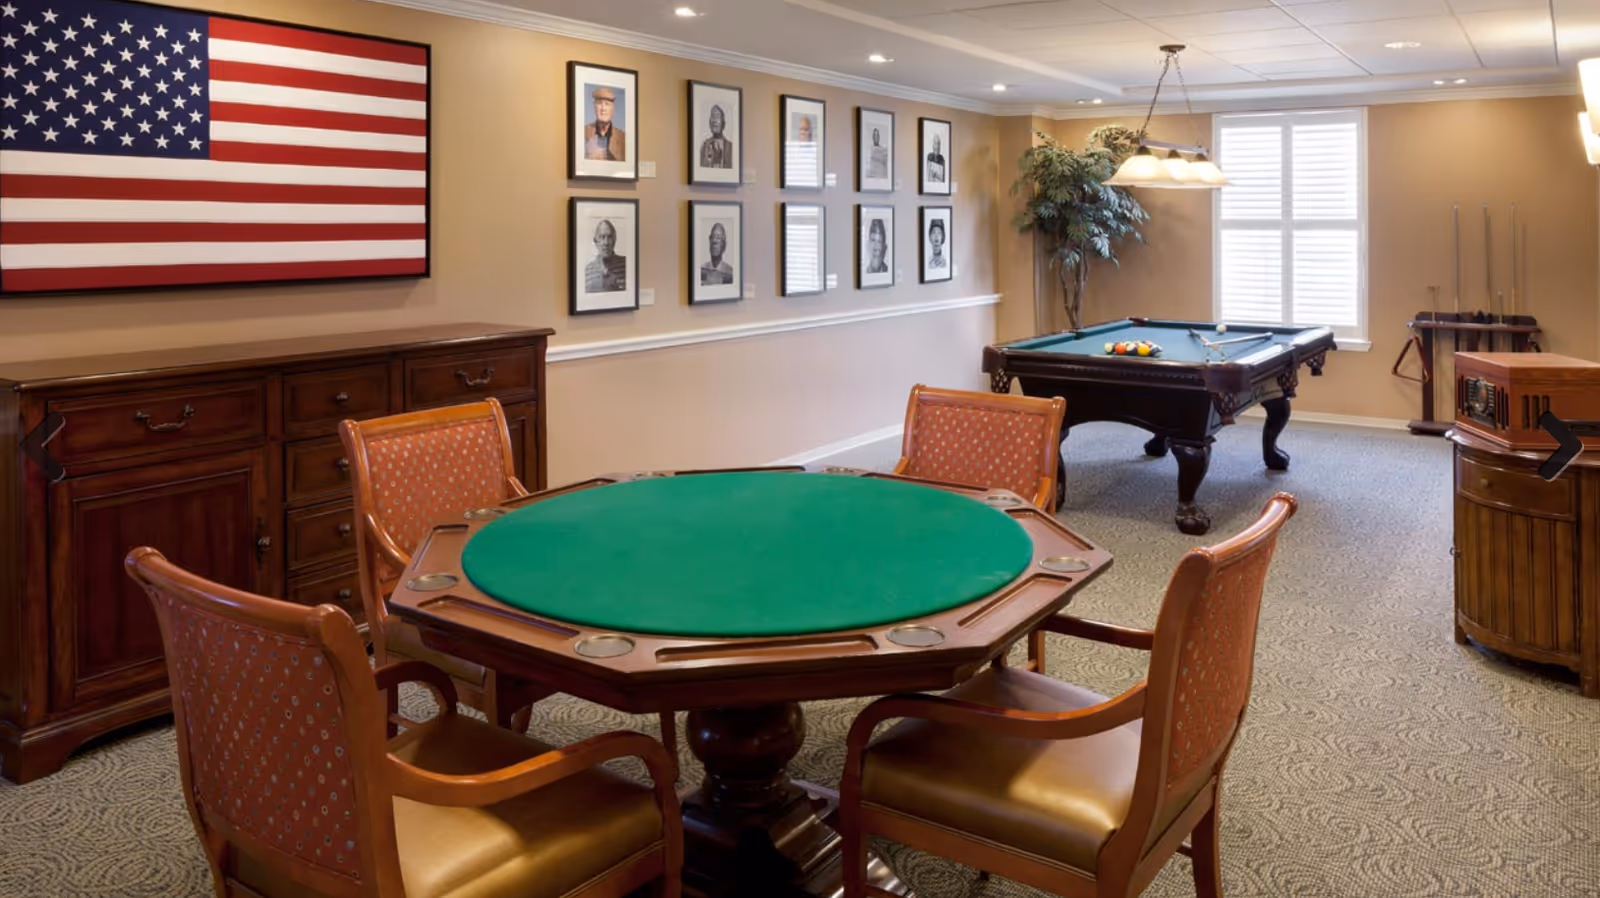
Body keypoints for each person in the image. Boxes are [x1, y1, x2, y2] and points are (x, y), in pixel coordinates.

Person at [584, 86, 626, 162]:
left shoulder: (623, 138)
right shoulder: (582, 133)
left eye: (607, 104)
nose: (603, 109)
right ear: (594, 108)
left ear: (613, 109)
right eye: (599, 103)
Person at [585, 219, 627, 292]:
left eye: (609, 237)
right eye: (602, 237)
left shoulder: (626, 265)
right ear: (595, 241)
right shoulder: (588, 270)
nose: (606, 243)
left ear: (614, 240)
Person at [699, 104, 734, 169]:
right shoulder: (705, 146)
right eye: (713, 116)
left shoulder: (731, 147)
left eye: (717, 116)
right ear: (709, 123)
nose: (714, 121)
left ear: (723, 123)